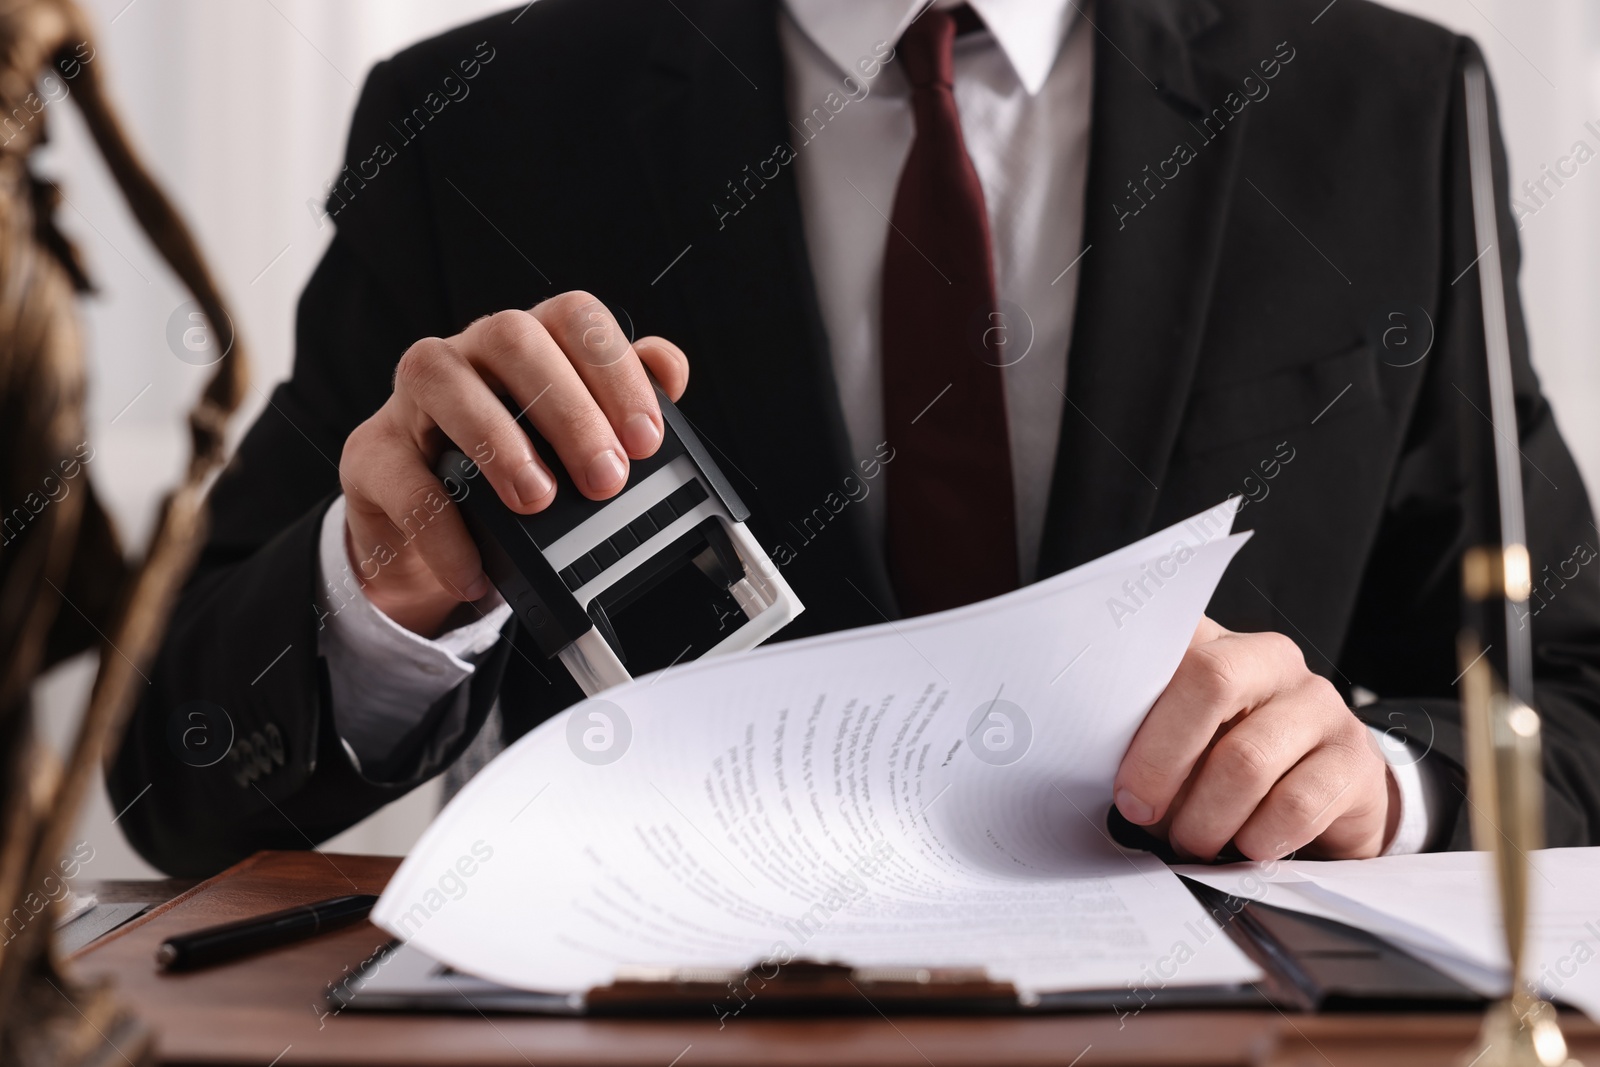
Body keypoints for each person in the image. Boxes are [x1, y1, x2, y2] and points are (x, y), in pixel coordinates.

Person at [109, 0, 1600, 877]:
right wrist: (382, 605)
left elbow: (1575, 692)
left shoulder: (1386, 109)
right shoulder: (475, 121)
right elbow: (164, 772)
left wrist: (1389, 783)